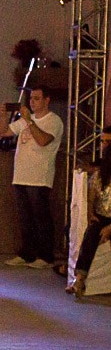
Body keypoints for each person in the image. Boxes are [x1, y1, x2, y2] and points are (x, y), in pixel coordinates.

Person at [0, 86, 64, 269]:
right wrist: (3, 116)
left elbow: (43, 141)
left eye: (36, 98)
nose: (32, 102)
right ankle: (27, 252)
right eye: (31, 98)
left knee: (40, 216)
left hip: (39, 177)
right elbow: (4, 132)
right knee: (25, 218)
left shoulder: (54, 121)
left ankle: (45, 255)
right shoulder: (25, 120)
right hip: (21, 175)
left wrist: (29, 120)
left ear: (47, 100)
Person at [67, 125, 111, 298]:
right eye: (103, 141)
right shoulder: (101, 171)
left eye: (108, 142)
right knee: (91, 233)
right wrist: (90, 213)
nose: (105, 146)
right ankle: (79, 279)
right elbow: (91, 196)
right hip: (103, 216)